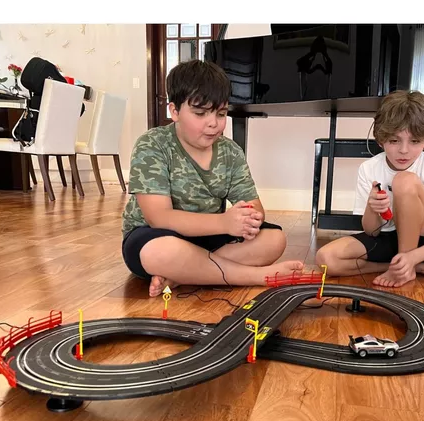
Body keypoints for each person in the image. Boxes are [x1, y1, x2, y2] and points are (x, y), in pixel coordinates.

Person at [122, 59, 303, 297]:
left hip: (208, 237)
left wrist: (247, 218)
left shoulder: (230, 151)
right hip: (157, 234)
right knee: (160, 252)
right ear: (174, 111)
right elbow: (159, 218)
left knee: (274, 239)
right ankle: (257, 277)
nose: (213, 123)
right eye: (200, 113)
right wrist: (225, 223)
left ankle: (184, 274)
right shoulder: (152, 144)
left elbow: (255, 208)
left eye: (221, 113)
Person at [316, 90, 424, 288]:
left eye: (415, 141)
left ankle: (406, 261)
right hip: (385, 238)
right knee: (326, 258)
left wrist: (413, 256)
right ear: (380, 139)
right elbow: (370, 231)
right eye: (394, 141)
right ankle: (400, 266)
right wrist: (372, 207)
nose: (403, 150)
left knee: (405, 181)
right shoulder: (369, 169)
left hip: (421, 240)